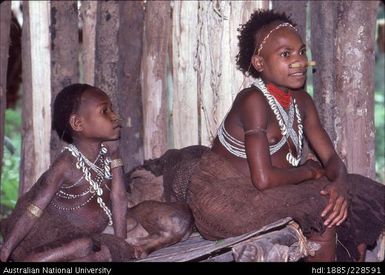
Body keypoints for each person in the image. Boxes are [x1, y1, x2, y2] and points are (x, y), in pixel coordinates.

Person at [186, 10, 385, 262]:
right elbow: (263, 179)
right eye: (285, 54)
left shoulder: (302, 101)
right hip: (226, 200)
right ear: (260, 63)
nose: (299, 61)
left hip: (275, 188)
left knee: (363, 191)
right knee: (320, 207)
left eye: (302, 51)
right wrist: (311, 172)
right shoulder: (252, 101)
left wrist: (340, 184)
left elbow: (331, 158)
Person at [0, 84, 193, 262]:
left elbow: (118, 197)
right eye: (104, 111)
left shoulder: (107, 153)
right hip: (53, 238)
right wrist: (6, 249)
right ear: (77, 123)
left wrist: (120, 241)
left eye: (112, 110)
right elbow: (33, 210)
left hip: (102, 230)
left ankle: (137, 249)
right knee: (84, 247)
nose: (115, 117)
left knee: (180, 219)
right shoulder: (65, 164)